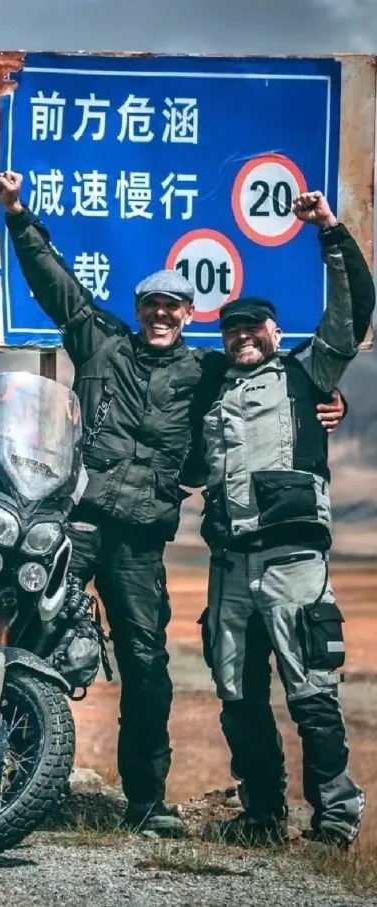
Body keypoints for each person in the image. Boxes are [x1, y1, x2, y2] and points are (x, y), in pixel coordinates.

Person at [0, 171, 346, 838]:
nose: (161, 314)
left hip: (142, 539)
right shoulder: (101, 343)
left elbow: (270, 384)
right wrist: (17, 215)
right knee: (26, 635)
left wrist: (327, 401)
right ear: (140, 307)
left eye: (173, 307)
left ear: (189, 317)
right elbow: (53, 279)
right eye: (152, 304)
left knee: (147, 667)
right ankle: (3, 778)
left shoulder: (204, 372)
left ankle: (145, 801)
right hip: (79, 521)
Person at [192, 191, 375, 850]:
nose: (242, 336)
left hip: (293, 561)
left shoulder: (307, 376)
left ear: (273, 331)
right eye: (231, 329)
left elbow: (353, 311)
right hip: (229, 567)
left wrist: (330, 231)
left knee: (310, 691)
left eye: (253, 328)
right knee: (238, 695)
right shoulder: (211, 395)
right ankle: (264, 815)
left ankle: (335, 813)